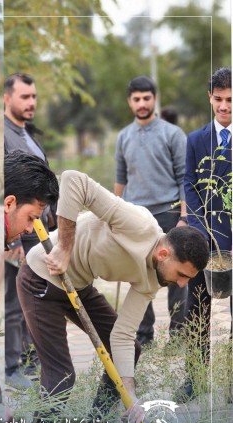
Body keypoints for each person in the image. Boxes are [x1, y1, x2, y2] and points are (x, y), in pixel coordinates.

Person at [16, 170, 209, 423]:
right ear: (164, 254)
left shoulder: (154, 279)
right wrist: (64, 248)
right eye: (182, 275)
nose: (183, 284)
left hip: (78, 286)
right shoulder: (137, 223)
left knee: (131, 350)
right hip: (41, 277)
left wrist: (131, 397)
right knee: (61, 376)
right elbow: (73, 180)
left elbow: (123, 335)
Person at [114, 75, 188, 347]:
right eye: (136, 99)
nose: (142, 103)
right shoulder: (123, 136)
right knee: (138, 275)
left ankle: (178, 335)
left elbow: (184, 178)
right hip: (135, 216)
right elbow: (120, 178)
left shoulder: (172, 134)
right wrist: (113, 214)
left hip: (169, 213)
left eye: (146, 98)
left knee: (176, 274)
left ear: (154, 99)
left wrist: (184, 217)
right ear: (129, 102)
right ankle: (144, 335)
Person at [180, 66, 232, 401]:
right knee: (197, 308)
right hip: (204, 241)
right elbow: (189, 183)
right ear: (209, 98)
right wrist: (201, 229)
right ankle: (195, 378)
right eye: (219, 99)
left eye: (230, 99)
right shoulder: (196, 140)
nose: (224, 106)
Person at [2, 73, 48, 388]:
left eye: (33, 96)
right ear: (7, 98)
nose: (31, 102)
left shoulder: (26, 133)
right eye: (24, 97)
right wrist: (12, 240)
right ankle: (10, 367)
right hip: (18, 232)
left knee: (33, 297)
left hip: (38, 231)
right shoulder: (4, 136)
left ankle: (33, 360)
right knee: (14, 300)